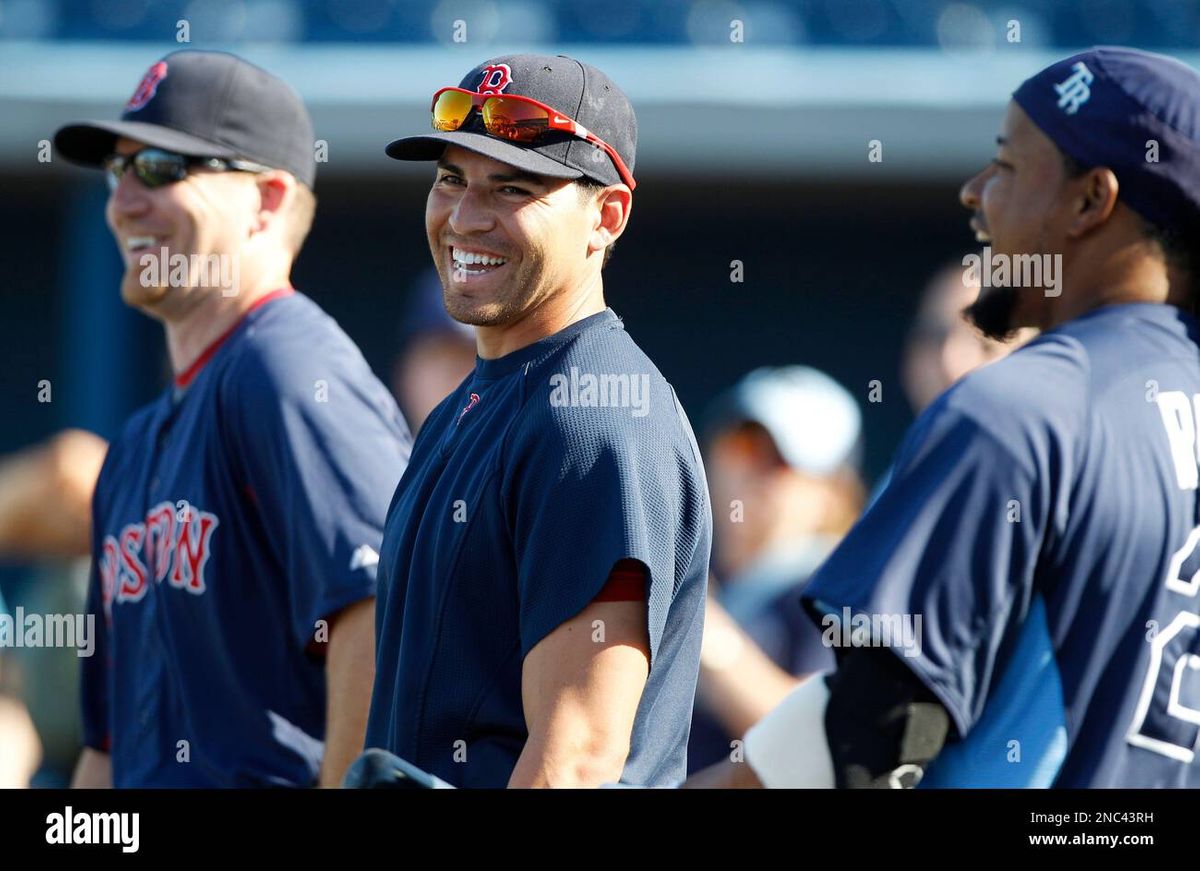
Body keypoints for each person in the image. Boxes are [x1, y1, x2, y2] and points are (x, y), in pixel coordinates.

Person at [689, 46, 1200, 788]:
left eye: (1007, 167)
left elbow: (870, 743)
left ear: (1092, 201)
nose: (973, 192)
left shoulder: (1023, 410)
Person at [53, 50, 412, 787]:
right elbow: (108, 747)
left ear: (267, 201)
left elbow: (385, 620)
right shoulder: (134, 444)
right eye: (116, 171)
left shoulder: (286, 369)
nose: (123, 202)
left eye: (159, 166)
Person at [362, 54, 711, 788]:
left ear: (606, 216)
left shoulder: (596, 418)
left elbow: (576, 760)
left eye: (512, 187)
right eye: (451, 178)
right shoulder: (466, 405)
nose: (464, 217)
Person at [688, 366, 864, 771]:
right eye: (744, 446)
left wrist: (703, 631)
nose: (753, 472)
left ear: (832, 492)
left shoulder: (837, 592)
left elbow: (814, 739)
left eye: (781, 461)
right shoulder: (702, 569)